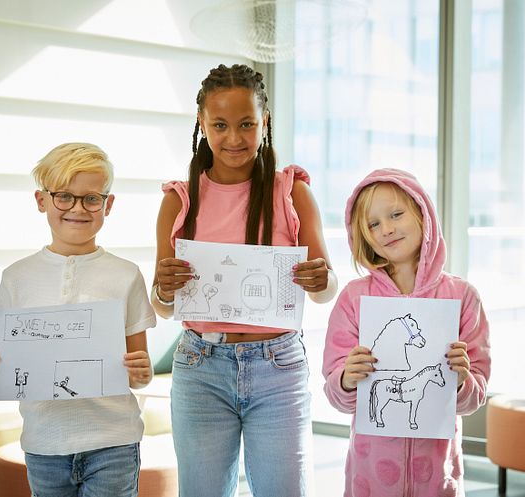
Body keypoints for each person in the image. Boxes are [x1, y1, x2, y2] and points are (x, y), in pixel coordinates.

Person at [151, 63, 338, 497]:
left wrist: (320, 278)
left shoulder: (291, 191)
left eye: (246, 124)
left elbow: (328, 288)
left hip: (279, 367)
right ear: (202, 123)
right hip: (201, 366)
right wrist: (163, 288)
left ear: (264, 122)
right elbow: (162, 306)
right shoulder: (179, 200)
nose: (233, 138)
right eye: (219, 125)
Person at [0, 143, 156, 497]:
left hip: (113, 442)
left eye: (91, 198)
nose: (78, 208)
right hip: (43, 444)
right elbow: (8, 367)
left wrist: (141, 371)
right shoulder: (16, 277)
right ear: (42, 201)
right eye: (64, 197)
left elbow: (139, 374)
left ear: (108, 205)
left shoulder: (126, 275)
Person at [322, 168, 490, 497]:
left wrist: (460, 379)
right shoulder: (354, 299)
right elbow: (335, 393)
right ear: (363, 235)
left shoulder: (463, 297)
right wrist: (346, 378)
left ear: (422, 214)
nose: (386, 229)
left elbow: (476, 394)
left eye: (396, 214)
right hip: (370, 477)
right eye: (373, 224)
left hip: (437, 475)